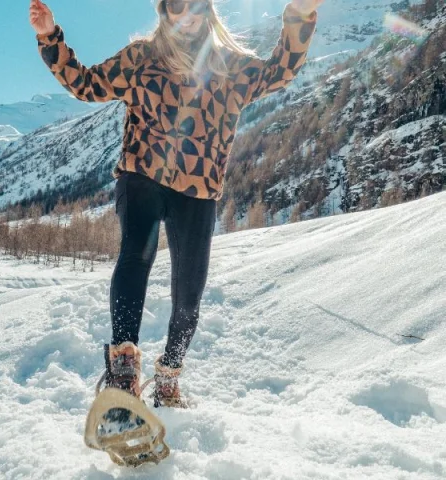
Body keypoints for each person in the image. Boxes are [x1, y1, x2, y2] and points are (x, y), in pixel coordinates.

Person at [30, 0, 322, 408]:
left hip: (198, 192)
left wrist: (299, 13)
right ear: (164, 12)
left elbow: (281, 71)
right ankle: (123, 369)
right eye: (175, 6)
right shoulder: (140, 58)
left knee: (190, 293)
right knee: (136, 255)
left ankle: (168, 377)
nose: (185, 15)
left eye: (194, 6)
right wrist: (50, 36)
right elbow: (86, 85)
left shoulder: (229, 68)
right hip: (143, 177)